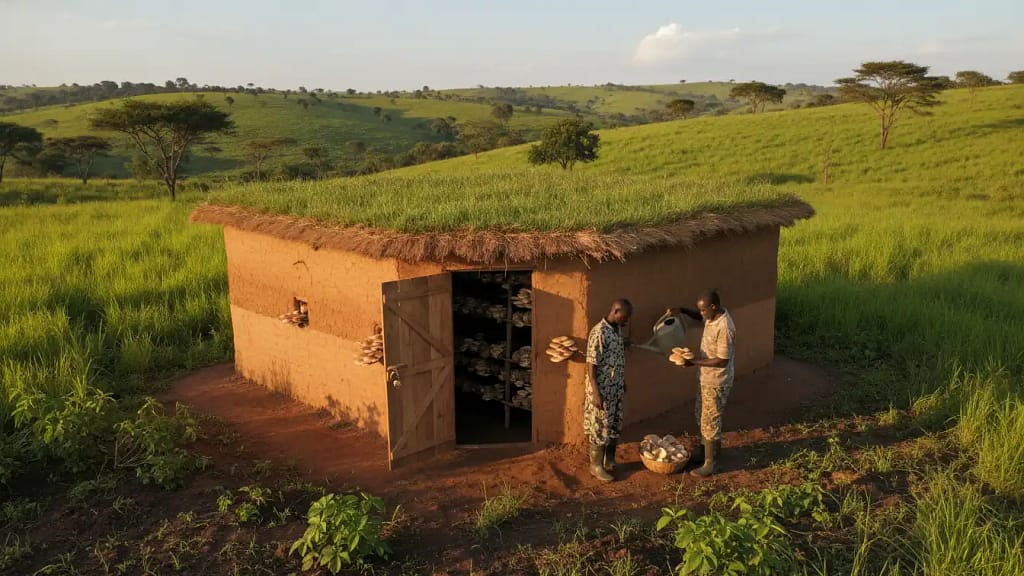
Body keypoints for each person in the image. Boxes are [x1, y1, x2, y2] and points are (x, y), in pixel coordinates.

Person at [668, 289, 736, 477]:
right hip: (705, 377)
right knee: (701, 414)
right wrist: (681, 310)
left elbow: (722, 360)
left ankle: (711, 463)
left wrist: (692, 362)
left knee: (711, 419)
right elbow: (698, 316)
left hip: (717, 380)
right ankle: (705, 451)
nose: (702, 314)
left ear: (713, 307)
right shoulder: (712, 315)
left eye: (704, 310)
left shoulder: (725, 327)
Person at [584, 298, 633, 482]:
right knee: (599, 427)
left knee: (614, 425)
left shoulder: (617, 330)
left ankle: (609, 460)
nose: (626, 321)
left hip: (616, 388)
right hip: (602, 391)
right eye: (625, 317)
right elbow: (591, 364)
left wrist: (622, 380)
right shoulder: (599, 332)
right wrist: (596, 392)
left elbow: (616, 359)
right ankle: (595, 466)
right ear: (616, 311)